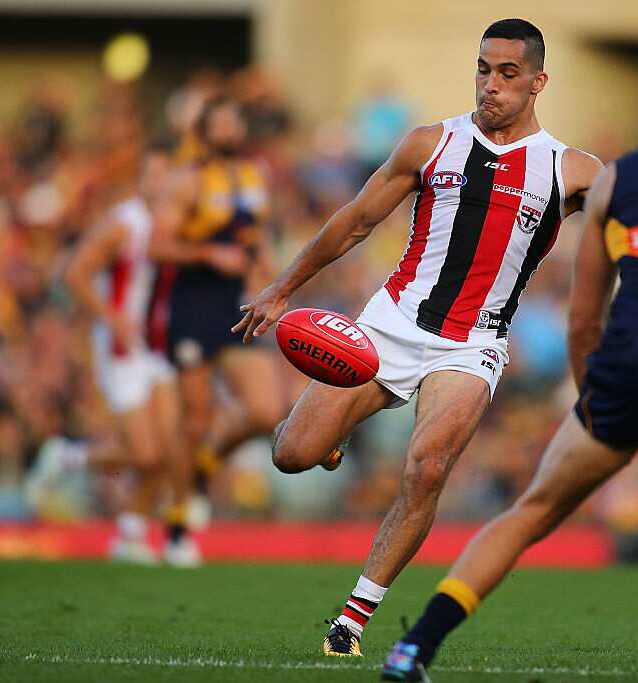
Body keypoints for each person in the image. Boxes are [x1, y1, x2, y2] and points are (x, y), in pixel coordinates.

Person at [381, 38, 638, 683]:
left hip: (634, 358)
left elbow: (584, 316)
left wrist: (590, 397)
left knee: (534, 509)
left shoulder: (619, 179)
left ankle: (415, 648)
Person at [233, 18, 605, 657]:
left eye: (507, 73)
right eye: (483, 69)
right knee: (291, 455)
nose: (490, 85)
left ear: (538, 82)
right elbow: (355, 221)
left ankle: (352, 619)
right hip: (391, 323)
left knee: (427, 468)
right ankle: (334, 438)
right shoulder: (431, 143)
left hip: (473, 344)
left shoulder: (569, 169)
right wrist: (282, 287)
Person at [150, 96, 285, 566]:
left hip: (235, 299)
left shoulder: (254, 176)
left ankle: (207, 463)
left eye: (234, 122)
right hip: (194, 303)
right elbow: (158, 245)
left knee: (267, 409)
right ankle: (177, 523)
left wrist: (270, 277)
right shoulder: (187, 181)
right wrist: (208, 253)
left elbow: (257, 236)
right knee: (194, 420)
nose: (229, 131)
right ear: (205, 132)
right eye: (220, 123)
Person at [63, 144, 182, 564]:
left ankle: (131, 534)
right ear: (140, 179)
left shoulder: (172, 222)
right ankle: (69, 458)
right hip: (121, 347)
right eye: (153, 174)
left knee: (167, 449)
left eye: (166, 175)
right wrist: (111, 317)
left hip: (156, 346)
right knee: (146, 452)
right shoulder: (123, 224)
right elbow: (75, 273)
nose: (159, 183)